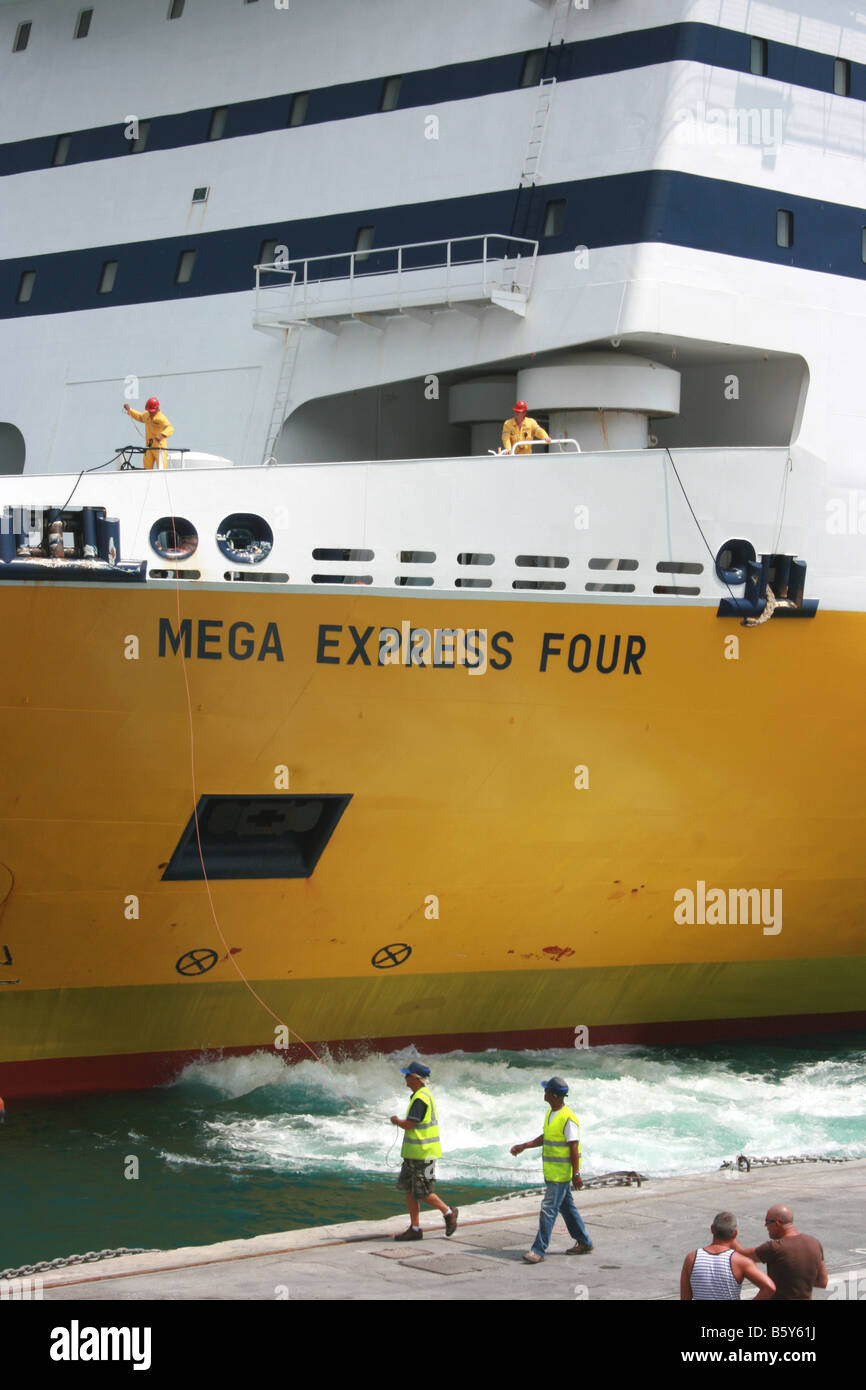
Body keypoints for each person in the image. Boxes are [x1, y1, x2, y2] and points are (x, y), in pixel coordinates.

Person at [511, 1076, 592, 1264]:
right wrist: (524, 1146)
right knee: (567, 1208)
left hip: (561, 1174)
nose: (544, 1092)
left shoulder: (568, 1118)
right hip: (552, 1172)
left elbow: (574, 1147)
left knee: (548, 1208)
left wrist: (576, 1174)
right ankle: (584, 1241)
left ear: (554, 1095)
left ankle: (538, 1250)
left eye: (547, 1090)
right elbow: (546, 1137)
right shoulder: (551, 1113)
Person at [389, 1062, 458, 1241]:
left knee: (423, 1192)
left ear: (415, 1078)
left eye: (407, 1075)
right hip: (414, 1154)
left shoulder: (420, 1098)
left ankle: (449, 1212)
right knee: (409, 1190)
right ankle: (415, 1228)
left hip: (425, 1155)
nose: (405, 1078)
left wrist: (397, 1121)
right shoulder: (420, 1095)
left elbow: (410, 1124)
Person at [733, 1205, 828, 1300]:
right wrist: (799, 1281)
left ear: (777, 1224)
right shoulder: (815, 1243)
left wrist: (730, 1235)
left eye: (767, 1222)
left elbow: (741, 1254)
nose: (765, 1225)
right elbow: (823, 1282)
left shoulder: (774, 1248)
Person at [680, 1212, 776, 1300]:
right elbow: (769, 1287)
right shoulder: (740, 1261)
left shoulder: (691, 1258)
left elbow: (685, 1297)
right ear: (735, 1234)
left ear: (712, 1229)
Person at [123, 396, 174, 470]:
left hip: (159, 447)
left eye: (152, 411)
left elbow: (170, 428)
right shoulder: (147, 415)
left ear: (157, 408)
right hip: (149, 447)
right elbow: (139, 416)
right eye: (149, 411)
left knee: (161, 468)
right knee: (147, 468)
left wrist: (162, 435)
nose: (150, 413)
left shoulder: (161, 418)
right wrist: (129, 410)